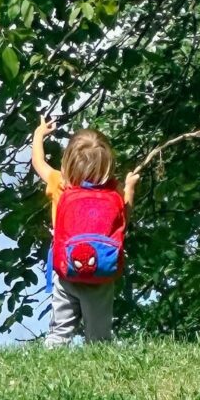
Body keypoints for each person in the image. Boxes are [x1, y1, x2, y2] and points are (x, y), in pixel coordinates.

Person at [31, 117, 139, 346]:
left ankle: (50, 358)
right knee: (99, 336)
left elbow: (38, 162)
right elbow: (123, 221)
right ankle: (99, 363)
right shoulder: (114, 191)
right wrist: (129, 189)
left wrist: (39, 134)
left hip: (66, 270)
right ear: (107, 164)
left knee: (59, 331)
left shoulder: (59, 182)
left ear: (68, 161)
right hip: (101, 273)